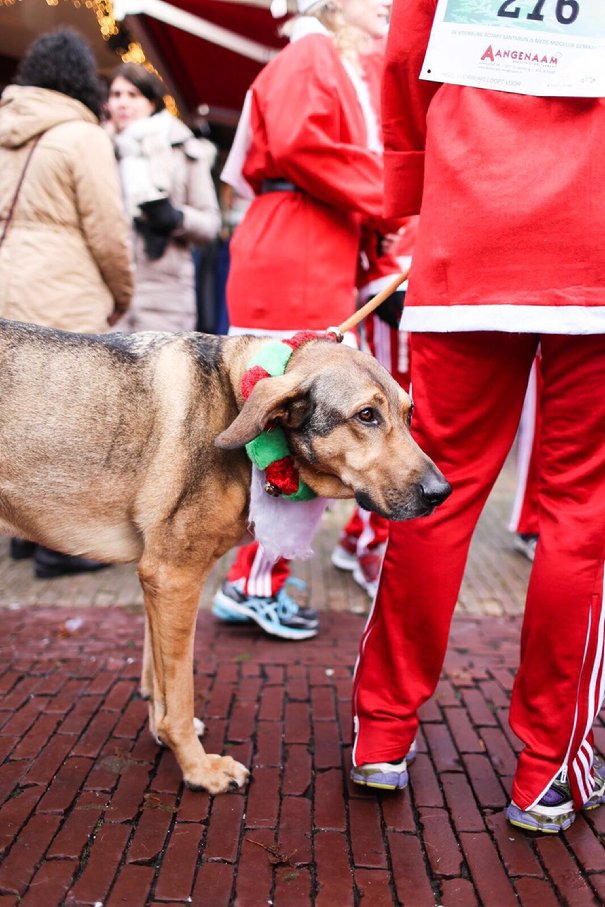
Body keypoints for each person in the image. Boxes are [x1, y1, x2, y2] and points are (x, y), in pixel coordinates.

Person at [351, 0, 605, 836]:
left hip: (470, 224)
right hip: (593, 241)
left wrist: (415, 189)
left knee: (435, 493)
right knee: (580, 514)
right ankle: (545, 771)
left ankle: (382, 731)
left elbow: (404, 57)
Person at [212, 0, 398, 641]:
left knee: (293, 424)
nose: (387, 6)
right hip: (299, 252)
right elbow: (302, 144)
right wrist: (395, 193)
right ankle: (253, 583)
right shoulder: (313, 52)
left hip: (305, 246)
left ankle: (258, 578)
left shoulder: (322, 55)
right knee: (294, 426)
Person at [0, 28, 134, 578]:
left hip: (7, 284)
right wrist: (122, 293)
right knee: (70, 422)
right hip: (64, 289)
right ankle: (60, 547)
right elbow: (108, 231)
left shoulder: (5, 127)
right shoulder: (84, 137)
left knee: (15, 418)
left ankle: (21, 539)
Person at [105, 63, 221, 333]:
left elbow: (210, 223)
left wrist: (176, 217)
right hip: (110, 299)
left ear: (152, 102)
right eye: (116, 94)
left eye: (133, 95)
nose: (122, 103)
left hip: (167, 298)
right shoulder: (100, 147)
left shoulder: (184, 149)